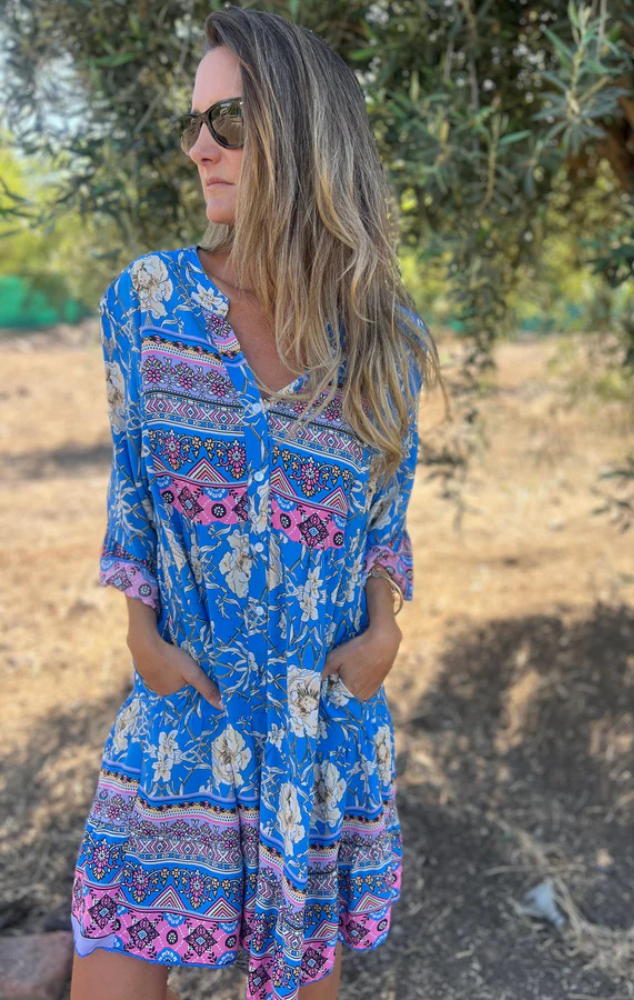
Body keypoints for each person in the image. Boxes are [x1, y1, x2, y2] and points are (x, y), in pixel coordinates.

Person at [69, 8, 444, 1000]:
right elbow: (133, 485)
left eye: (227, 122)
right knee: (108, 964)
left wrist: (382, 632)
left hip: (318, 720)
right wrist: (142, 636)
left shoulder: (382, 336)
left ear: (303, 131)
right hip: (186, 702)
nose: (199, 148)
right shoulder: (148, 303)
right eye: (193, 124)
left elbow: (384, 515)